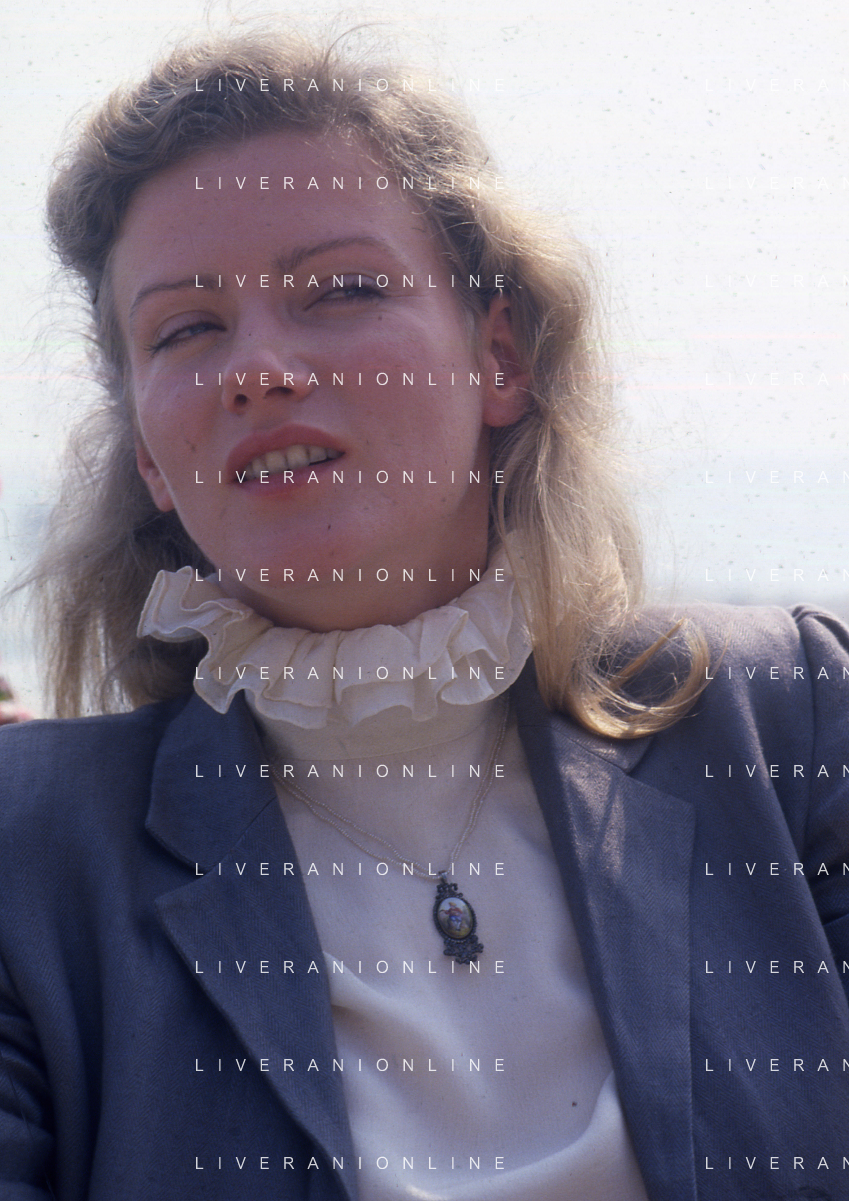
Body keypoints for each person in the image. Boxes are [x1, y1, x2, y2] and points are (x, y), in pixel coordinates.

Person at [1, 28, 847, 1201]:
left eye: (340, 291)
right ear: (148, 451)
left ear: (500, 357)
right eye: (186, 329)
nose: (258, 368)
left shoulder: (794, 719)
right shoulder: (26, 850)